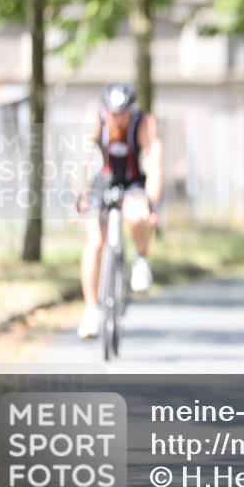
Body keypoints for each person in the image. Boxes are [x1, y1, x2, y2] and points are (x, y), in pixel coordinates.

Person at [76, 83, 163, 339]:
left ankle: (141, 260)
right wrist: (80, 195)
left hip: (132, 183)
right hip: (102, 182)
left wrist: (151, 201)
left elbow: (153, 161)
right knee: (95, 242)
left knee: (138, 216)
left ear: (130, 110)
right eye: (113, 113)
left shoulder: (143, 123)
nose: (117, 118)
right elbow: (81, 159)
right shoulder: (95, 121)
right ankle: (91, 310)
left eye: (122, 113)